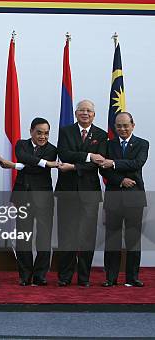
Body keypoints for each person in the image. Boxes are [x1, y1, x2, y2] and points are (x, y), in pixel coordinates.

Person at [0, 117, 59, 286]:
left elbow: (31, 166)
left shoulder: (52, 150)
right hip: (23, 197)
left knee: (44, 238)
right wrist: (43, 163)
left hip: (43, 198)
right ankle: (25, 275)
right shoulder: (21, 144)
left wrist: (15, 166)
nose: (43, 137)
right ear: (31, 131)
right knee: (23, 237)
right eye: (39, 133)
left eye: (46, 133)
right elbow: (23, 157)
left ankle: (40, 276)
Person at [55, 99, 107, 287]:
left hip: (89, 192)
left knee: (87, 236)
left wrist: (76, 166)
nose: (85, 113)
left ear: (94, 115)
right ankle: (65, 276)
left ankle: (84, 277)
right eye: (81, 110)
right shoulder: (65, 131)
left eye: (89, 111)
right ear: (76, 113)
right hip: (67, 191)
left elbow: (98, 162)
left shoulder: (101, 135)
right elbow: (64, 153)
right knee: (66, 235)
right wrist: (88, 155)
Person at [98, 112, 148, 287]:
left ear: (133, 125)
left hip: (135, 198)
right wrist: (121, 180)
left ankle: (132, 278)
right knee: (112, 238)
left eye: (126, 125)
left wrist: (114, 163)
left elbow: (137, 163)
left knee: (133, 239)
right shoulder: (108, 144)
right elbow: (103, 169)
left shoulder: (143, 144)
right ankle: (110, 278)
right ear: (114, 127)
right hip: (114, 196)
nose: (122, 129)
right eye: (118, 126)